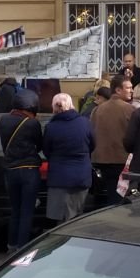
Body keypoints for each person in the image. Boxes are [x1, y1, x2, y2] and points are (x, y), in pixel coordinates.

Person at [0, 89, 43, 254]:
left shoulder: (4, 120)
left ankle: (11, 245)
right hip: (29, 169)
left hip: (10, 169)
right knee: (27, 211)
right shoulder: (32, 123)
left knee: (15, 210)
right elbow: (39, 145)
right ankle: (22, 248)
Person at [41, 93, 94, 224]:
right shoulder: (85, 123)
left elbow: (47, 151)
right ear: (71, 105)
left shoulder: (51, 127)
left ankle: (64, 242)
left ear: (53, 107)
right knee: (78, 216)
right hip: (81, 175)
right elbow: (92, 145)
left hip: (59, 177)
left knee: (61, 219)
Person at [92, 75, 135, 205]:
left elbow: (91, 133)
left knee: (109, 196)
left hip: (101, 160)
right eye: (128, 87)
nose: (132, 90)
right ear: (118, 90)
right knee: (120, 198)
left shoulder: (97, 110)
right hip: (122, 161)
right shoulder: (129, 109)